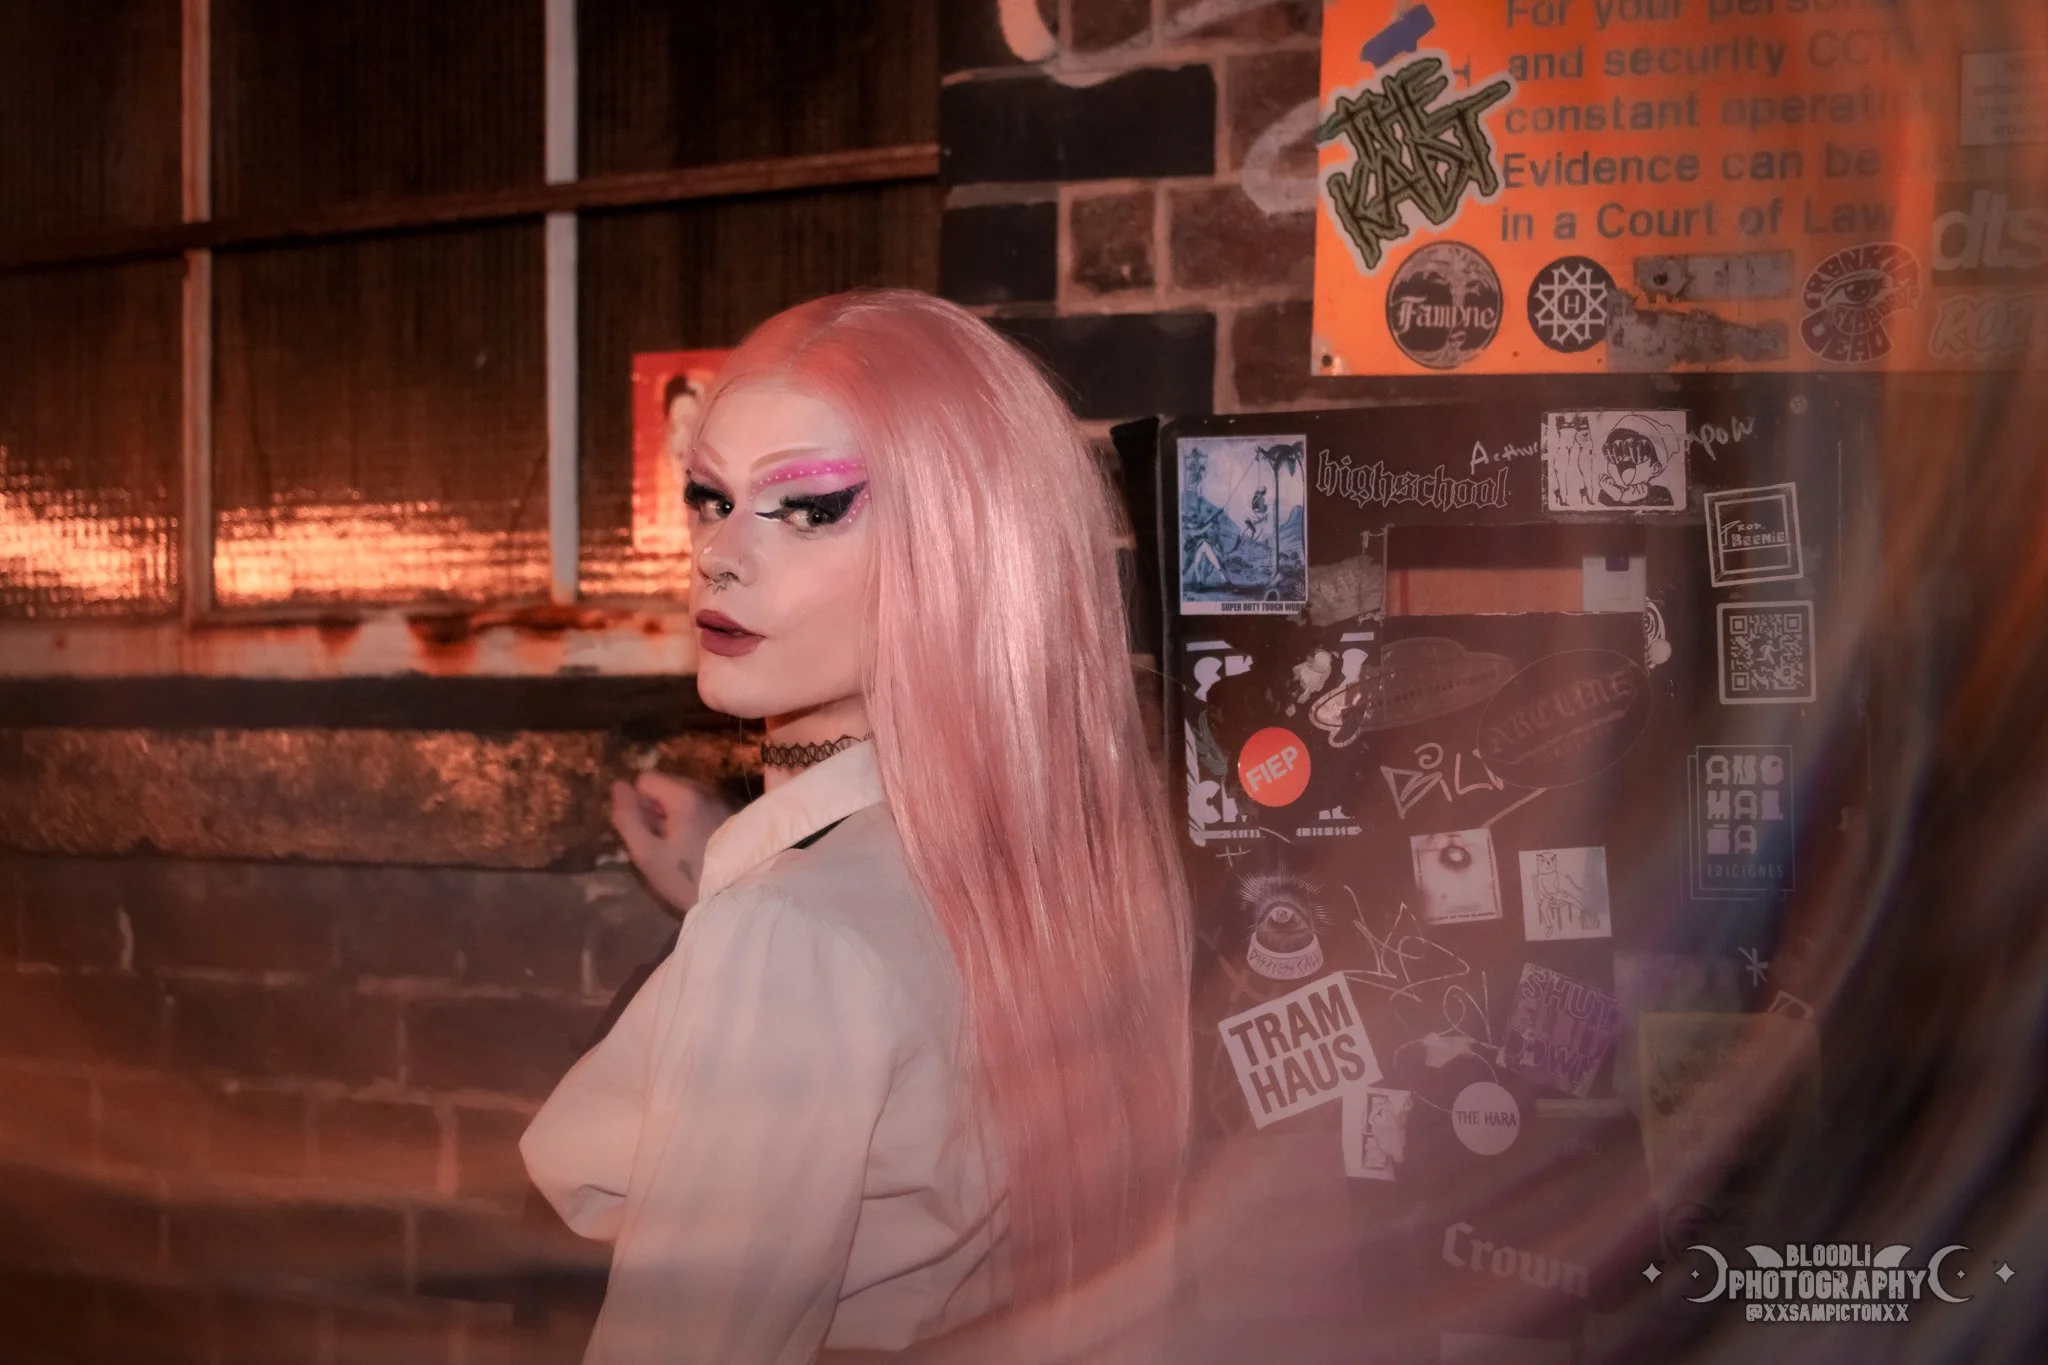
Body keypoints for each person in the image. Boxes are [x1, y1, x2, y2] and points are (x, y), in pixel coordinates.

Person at [521, 289, 1193, 1364]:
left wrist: (753, 914)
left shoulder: (792, 942)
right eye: (708, 497)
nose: (717, 556)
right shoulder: (1079, 861)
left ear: (962, 545)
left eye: (809, 507)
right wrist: (730, 869)